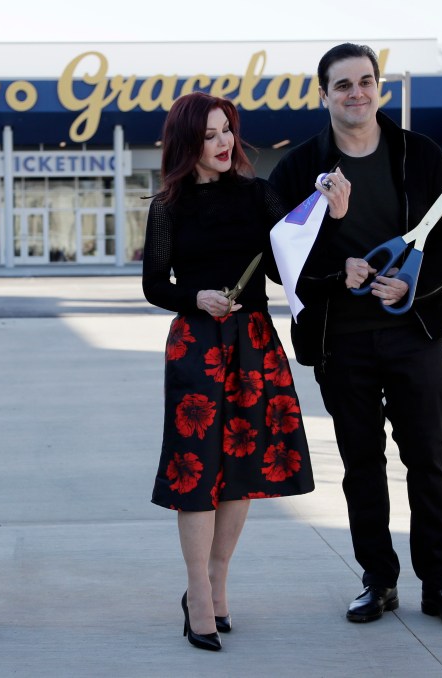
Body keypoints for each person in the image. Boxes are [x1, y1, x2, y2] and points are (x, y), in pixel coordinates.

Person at [268, 43, 442, 625]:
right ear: (324, 95)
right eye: (343, 85)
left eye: (366, 81)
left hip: (415, 334)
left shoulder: (420, 155)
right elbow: (277, 260)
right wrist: (340, 270)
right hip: (342, 340)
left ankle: (440, 584)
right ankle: (378, 581)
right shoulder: (296, 168)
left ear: (378, 88)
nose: (356, 93)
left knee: (428, 461)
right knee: (362, 465)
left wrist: (416, 285)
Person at [142, 92, 314, 652]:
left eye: (227, 132)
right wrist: (197, 298)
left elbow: (298, 249)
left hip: (254, 342)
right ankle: (196, 590)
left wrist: (328, 208)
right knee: (197, 470)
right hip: (196, 343)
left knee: (242, 465)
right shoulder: (167, 205)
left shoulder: (259, 195)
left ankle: (216, 581)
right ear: (187, 142)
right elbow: (154, 285)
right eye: (211, 134)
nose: (223, 144)